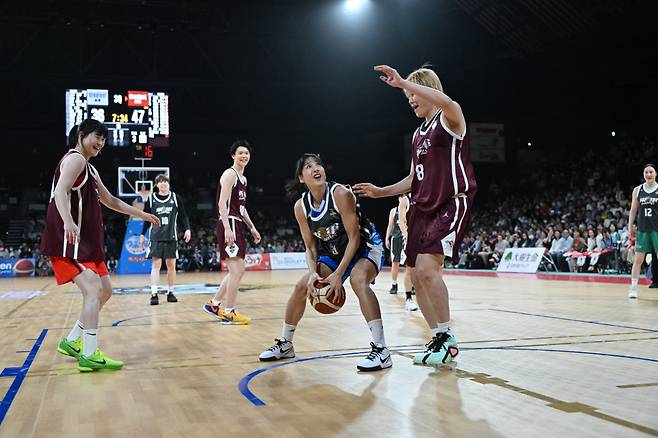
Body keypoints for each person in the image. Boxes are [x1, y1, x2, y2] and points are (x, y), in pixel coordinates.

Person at [354, 64, 477, 366]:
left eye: (412, 94)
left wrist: (402, 82)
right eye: (407, 95)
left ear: (427, 90)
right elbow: (412, 180)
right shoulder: (417, 135)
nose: (409, 100)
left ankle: (448, 336)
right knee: (415, 277)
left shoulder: (450, 120)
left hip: (449, 203)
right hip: (421, 207)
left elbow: (448, 102)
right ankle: (437, 337)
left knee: (426, 269)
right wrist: (381, 191)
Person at [41, 119, 160, 371]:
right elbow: (60, 192)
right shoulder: (75, 160)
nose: (100, 142)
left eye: (104, 139)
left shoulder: (90, 169)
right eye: (97, 136)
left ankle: (72, 341)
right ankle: (89, 353)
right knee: (93, 290)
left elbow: (112, 201)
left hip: (87, 244)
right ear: (81, 135)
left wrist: (143, 214)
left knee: (105, 290)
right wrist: (68, 222)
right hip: (70, 242)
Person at [259, 153, 390, 371]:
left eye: (318, 164)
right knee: (302, 285)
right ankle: (286, 344)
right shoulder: (301, 207)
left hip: (366, 245)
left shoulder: (340, 194)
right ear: (302, 177)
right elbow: (310, 247)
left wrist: (338, 274)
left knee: (358, 280)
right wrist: (312, 273)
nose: (315, 168)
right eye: (308, 166)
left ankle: (381, 349)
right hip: (335, 250)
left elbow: (355, 237)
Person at [202, 140, 261, 324]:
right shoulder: (230, 174)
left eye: (247, 153)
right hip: (230, 224)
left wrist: (252, 227)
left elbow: (242, 209)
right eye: (240, 153)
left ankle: (214, 303)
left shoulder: (243, 179)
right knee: (237, 271)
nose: (244, 156)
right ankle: (229, 311)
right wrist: (227, 228)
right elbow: (221, 203)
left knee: (236, 271)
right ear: (233, 156)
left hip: (238, 224)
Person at [140, 174, 191, 305]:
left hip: (171, 236)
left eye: (165, 181)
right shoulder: (151, 199)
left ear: (168, 183)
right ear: (156, 185)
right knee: (156, 265)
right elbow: (147, 219)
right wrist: (142, 234)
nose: (163, 183)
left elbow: (184, 216)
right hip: (156, 237)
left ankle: (170, 292)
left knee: (171, 266)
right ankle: (154, 293)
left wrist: (187, 229)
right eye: (160, 182)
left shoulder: (175, 197)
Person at [628, 163, 658, 298]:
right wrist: (630, 226)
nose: (649, 174)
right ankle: (633, 288)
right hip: (643, 229)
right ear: (643, 174)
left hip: (656, 229)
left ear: (656, 174)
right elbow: (633, 210)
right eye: (646, 172)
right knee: (638, 260)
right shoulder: (638, 190)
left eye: (651, 172)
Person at [385, 195, 419, 311]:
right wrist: (387, 237)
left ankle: (412, 286)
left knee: (409, 265)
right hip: (397, 238)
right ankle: (394, 284)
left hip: (408, 238)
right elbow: (390, 225)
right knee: (396, 262)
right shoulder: (393, 211)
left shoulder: (411, 206)